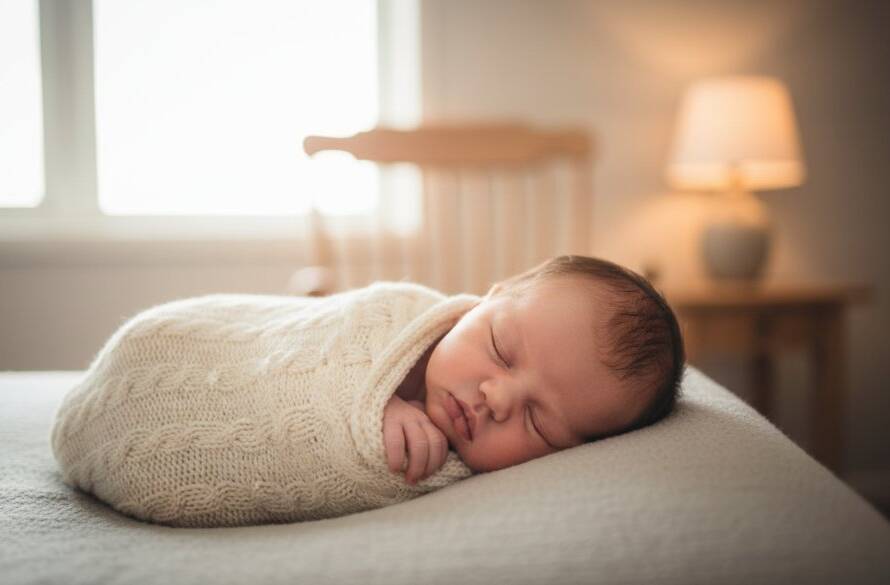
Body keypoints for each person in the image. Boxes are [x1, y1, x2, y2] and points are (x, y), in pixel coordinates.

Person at [383, 255, 685, 484]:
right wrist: (379, 405)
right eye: (500, 350)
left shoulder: (464, 479)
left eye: (537, 421)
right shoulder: (390, 318)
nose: (496, 399)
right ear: (489, 298)